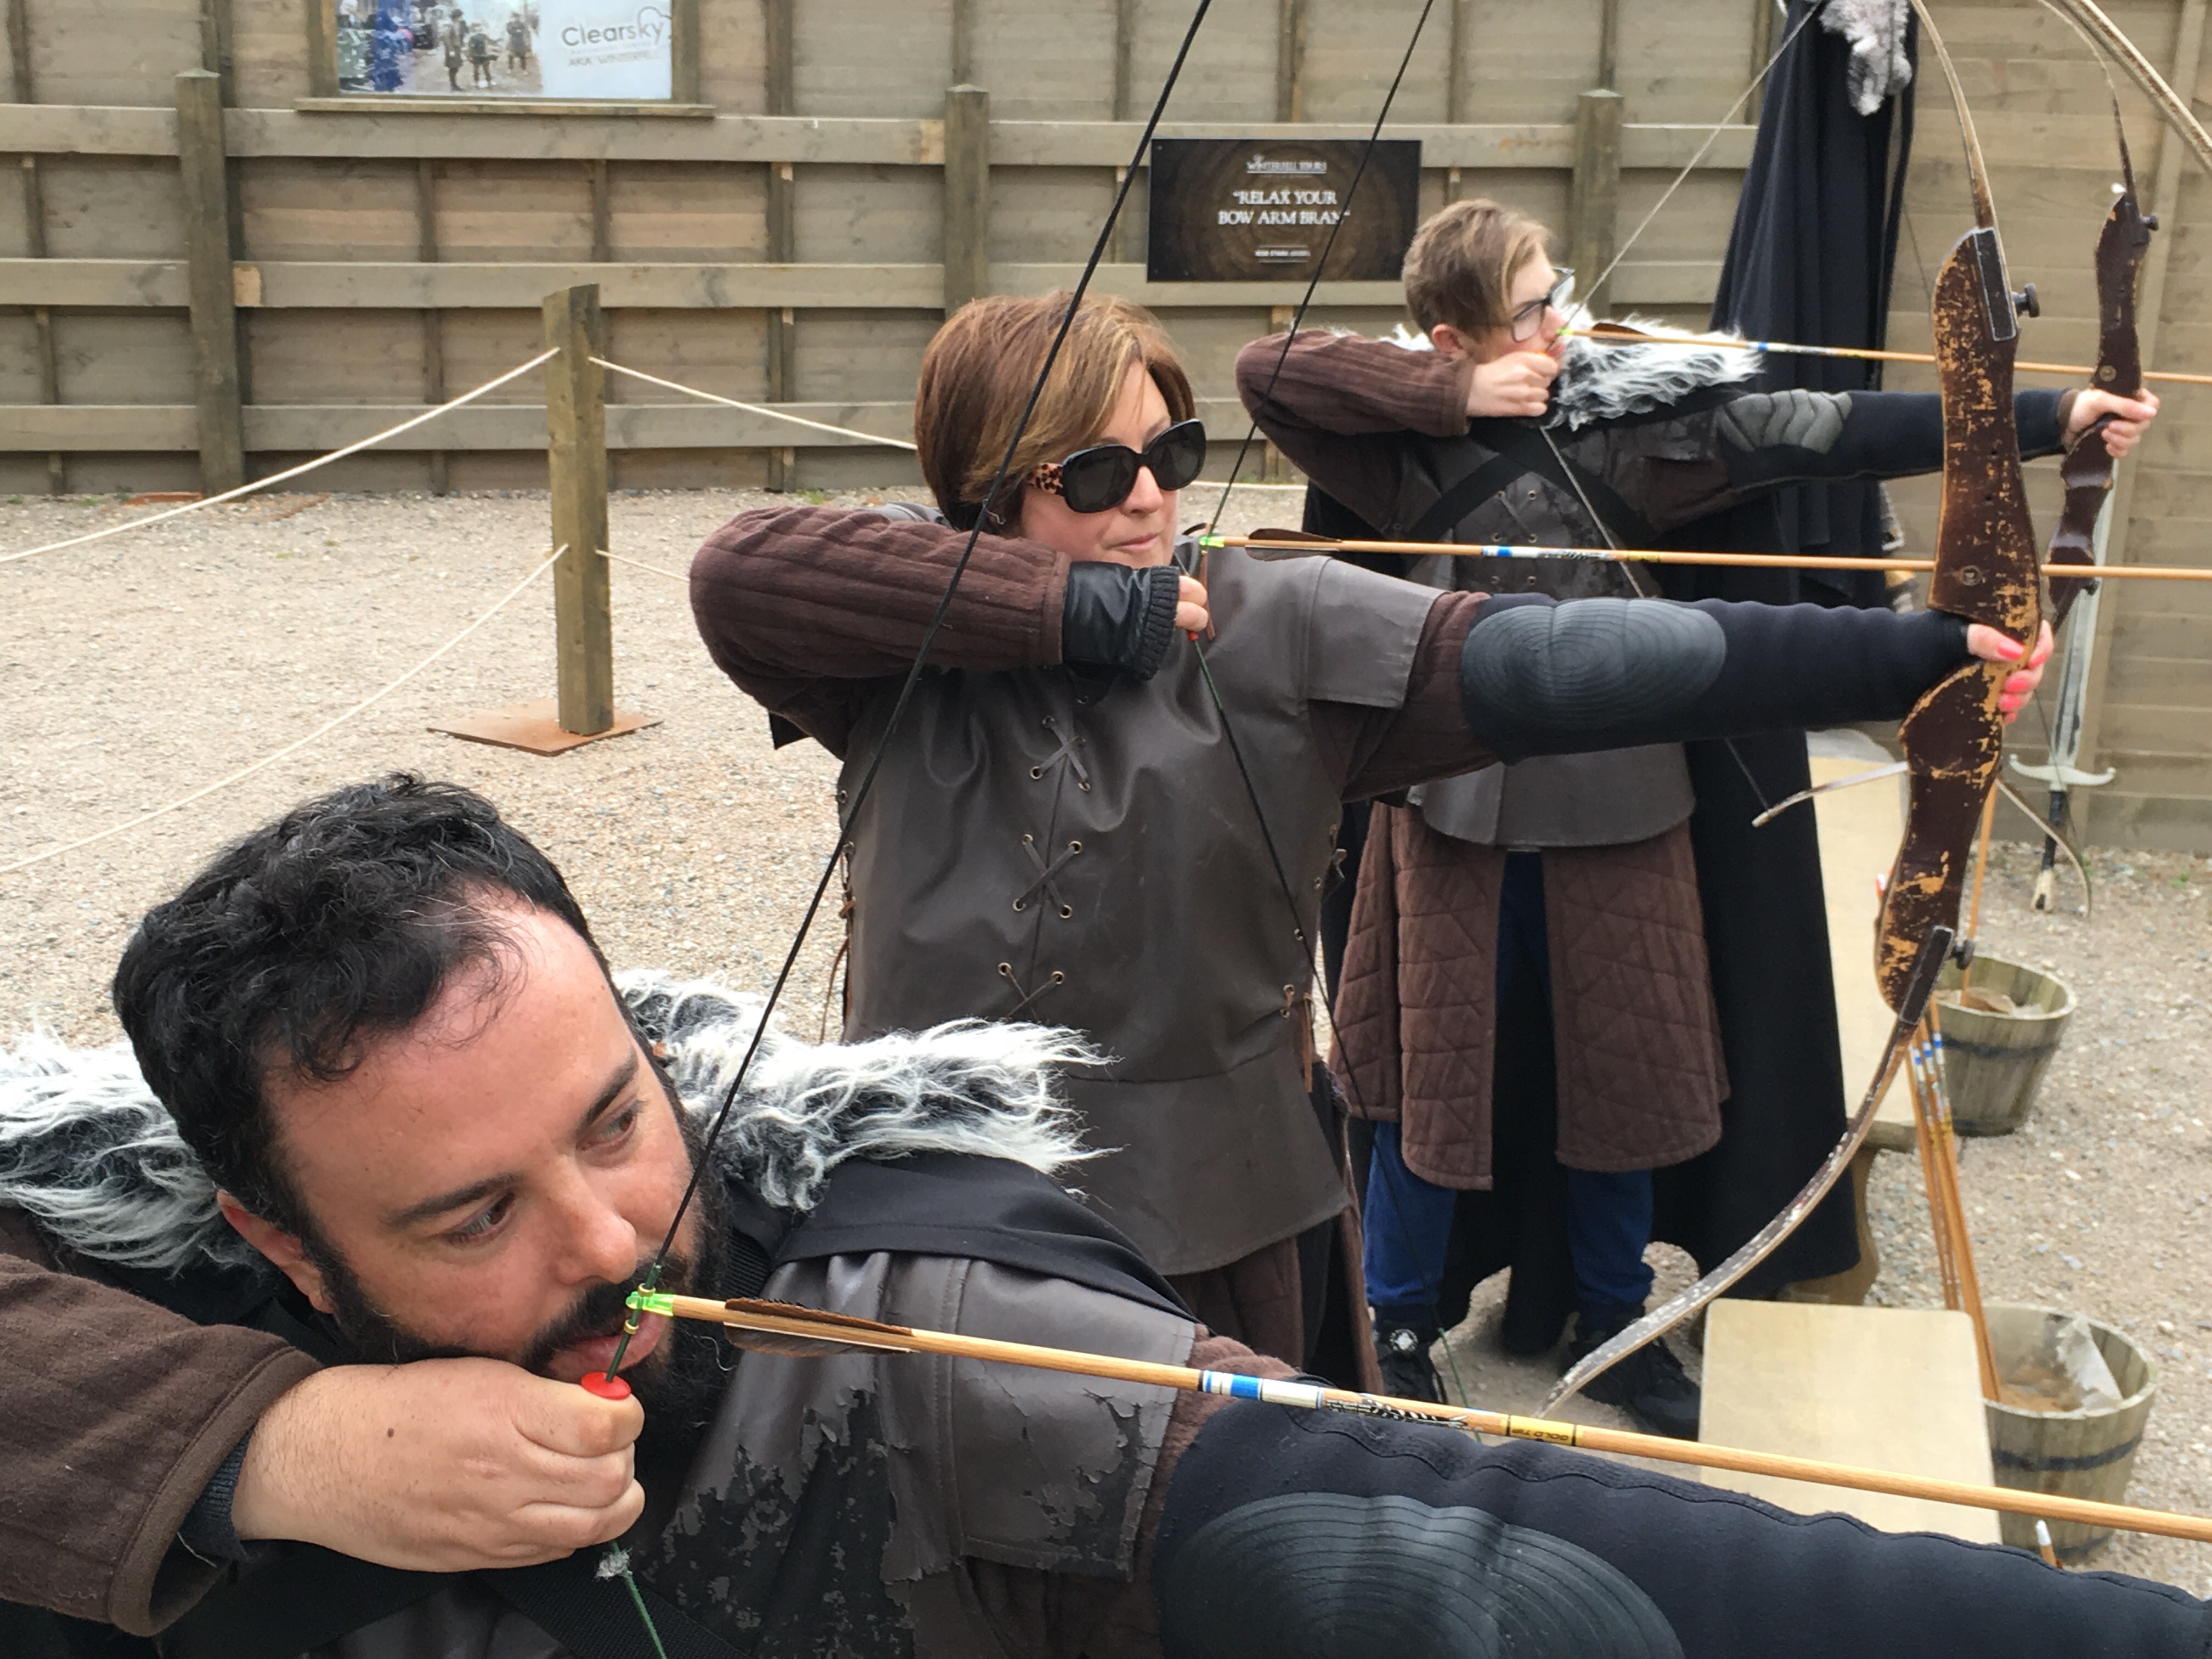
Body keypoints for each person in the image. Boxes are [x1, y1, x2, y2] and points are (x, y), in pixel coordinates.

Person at [3, 775, 2206, 1659]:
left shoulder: (910, 1329)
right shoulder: (160, 1347)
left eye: (616, 1119)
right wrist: (264, 1450)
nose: (609, 1243)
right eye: (469, 1215)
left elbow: (1452, 1538)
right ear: (274, 1243)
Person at [689, 288, 2053, 1378]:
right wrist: (1075, 611)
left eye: (1171, 454)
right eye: (1095, 472)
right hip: (920, 1225)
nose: (1150, 499)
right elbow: (732, 569)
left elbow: (1563, 659)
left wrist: (1912, 658)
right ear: (984, 494)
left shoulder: (1269, 622)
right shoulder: (892, 652)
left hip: (1213, 1231)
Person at [1237, 198, 2155, 1428]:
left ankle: (1618, 1322)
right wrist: (1454, 399)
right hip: (1448, 814)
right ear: (1454, 339)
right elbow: (1270, 370)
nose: (1560, 324)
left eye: (1558, 294)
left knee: (1625, 1080)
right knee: (1426, 1086)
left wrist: (2046, 417)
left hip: (1627, 805)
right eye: (1530, 309)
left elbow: (1831, 429)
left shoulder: (1644, 423)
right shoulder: (1394, 446)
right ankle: (1396, 1324)